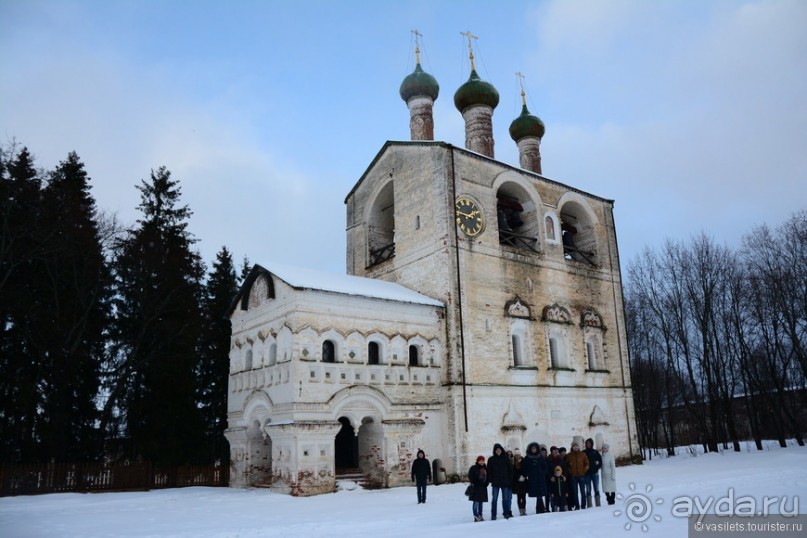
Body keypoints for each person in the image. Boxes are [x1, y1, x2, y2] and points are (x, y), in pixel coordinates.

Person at [487, 443, 514, 520]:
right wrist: (491, 479)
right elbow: (489, 470)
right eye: (497, 450)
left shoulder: (505, 459)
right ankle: (493, 515)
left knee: (505, 499)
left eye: (499, 450)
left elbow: (510, 470)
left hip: (505, 482)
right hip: (495, 483)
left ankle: (506, 513)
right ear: (494, 451)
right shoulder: (491, 459)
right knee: (494, 499)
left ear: (501, 450)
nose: (498, 451)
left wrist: (509, 479)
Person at [522, 442, 549, 514]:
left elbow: (545, 466)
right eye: (532, 448)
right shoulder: (527, 458)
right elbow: (525, 467)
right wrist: (528, 473)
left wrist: (543, 473)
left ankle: (540, 508)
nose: (534, 449)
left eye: (535, 448)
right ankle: (540, 508)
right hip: (532, 478)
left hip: (540, 478)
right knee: (537, 494)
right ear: (530, 449)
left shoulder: (540, 457)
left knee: (540, 494)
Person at [566, 442, 589, 510]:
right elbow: (567, 466)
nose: (575, 447)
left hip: (581, 476)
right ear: (572, 447)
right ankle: (577, 506)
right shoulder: (569, 455)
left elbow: (587, 463)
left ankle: (583, 505)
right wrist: (570, 472)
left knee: (582, 491)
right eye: (574, 446)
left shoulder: (583, 454)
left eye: (577, 446)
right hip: (573, 477)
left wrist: (584, 471)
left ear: (578, 447)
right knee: (575, 492)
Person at [468, 455, 489, 522]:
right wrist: (476, 481)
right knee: (476, 502)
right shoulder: (473, 468)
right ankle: (475, 515)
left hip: (483, 487)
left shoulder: (485, 468)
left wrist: (486, 483)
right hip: (476, 487)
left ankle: (480, 514)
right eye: (480, 461)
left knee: (481, 502)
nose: (481, 462)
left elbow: (487, 477)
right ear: (477, 461)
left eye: (482, 461)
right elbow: (470, 476)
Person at [584, 438, 603, 507]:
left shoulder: (595, 452)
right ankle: (589, 505)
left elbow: (600, 462)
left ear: (592, 444)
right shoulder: (584, 452)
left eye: (589, 443)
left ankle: (598, 504)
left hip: (595, 473)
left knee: (596, 489)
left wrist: (597, 465)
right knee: (588, 489)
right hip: (587, 474)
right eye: (587, 443)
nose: (588, 445)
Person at [511, 448, 528, 516]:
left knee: (523, 497)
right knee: (519, 497)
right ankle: (520, 510)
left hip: (523, 481)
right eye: (516, 455)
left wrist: (523, 476)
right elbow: (513, 471)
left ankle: (524, 509)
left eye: (518, 455)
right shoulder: (513, 462)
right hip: (517, 482)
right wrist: (518, 477)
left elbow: (526, 469)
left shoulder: (524, 461)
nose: (517, 456)